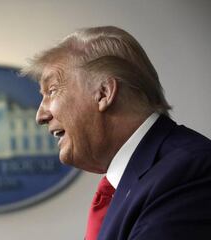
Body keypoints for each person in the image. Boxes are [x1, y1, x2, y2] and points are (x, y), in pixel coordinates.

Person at [21, 26, 211, 240]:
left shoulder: (190, 172)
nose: (40, 115)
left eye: (52, 91)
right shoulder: (132, 182)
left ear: (103, 93)